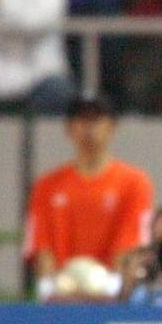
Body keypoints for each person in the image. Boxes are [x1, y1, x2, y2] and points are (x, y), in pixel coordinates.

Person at [23, 92, 154, 294]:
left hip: (112, 288)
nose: (88, 128)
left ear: (112, 127)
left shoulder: (135, 183)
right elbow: (42, 247)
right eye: (81, 120)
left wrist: (107, 285)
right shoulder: (46, 186)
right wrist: (59, 285)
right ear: (68, 128)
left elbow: (132, 245)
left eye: (96, 120)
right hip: (61, 288)